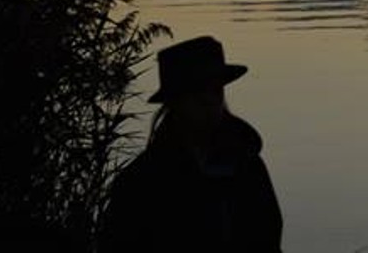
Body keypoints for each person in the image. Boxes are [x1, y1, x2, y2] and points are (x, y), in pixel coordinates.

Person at [99, 36, 284, 252]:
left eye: (216, 91)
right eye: (198, 93)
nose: (211, 102)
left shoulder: (248, 167)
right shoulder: (141, 181)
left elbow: (268, 240)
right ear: (175, 102)